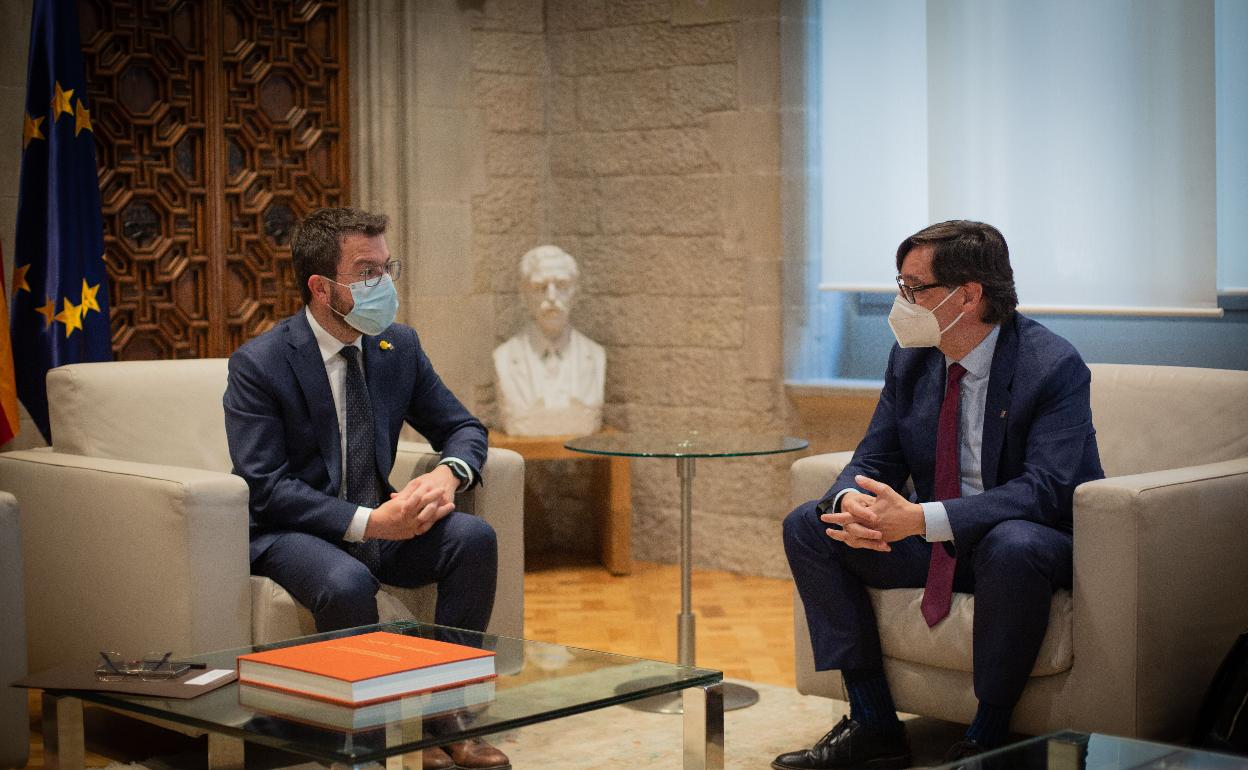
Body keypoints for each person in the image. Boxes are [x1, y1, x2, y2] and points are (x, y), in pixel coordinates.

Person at [774, 221, 1103, 769]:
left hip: (1026, 545)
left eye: (914, 288)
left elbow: (1046, 489)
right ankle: (874, 724)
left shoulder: (1051, 365)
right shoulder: (912, 358)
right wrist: (848, 501)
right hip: (939, 543)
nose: (901, 302)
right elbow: (874, 458)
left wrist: (923, 518)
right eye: (900, 286)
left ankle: (989, 740)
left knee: (1012, 544)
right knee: (811, 526)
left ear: (969, 295)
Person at [224, 207, 507, 770]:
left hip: (380, 517)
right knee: (346, 582)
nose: (385, 284)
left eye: (387, 267)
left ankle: (444, 718)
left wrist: (447, 474)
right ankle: (363, 748)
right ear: (320, 287)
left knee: (473, 539)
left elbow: (463, 427)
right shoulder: (260, 363)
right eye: (367, 272)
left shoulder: (396, 346)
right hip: (292, 531)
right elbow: (264, 485)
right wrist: (372, 522)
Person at [493, 244, 605, 436]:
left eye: (561, 286)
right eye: (540, 287)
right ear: (524, 295)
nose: (552, 297)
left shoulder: (595, 356)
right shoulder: (504, 357)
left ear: (576, 292)